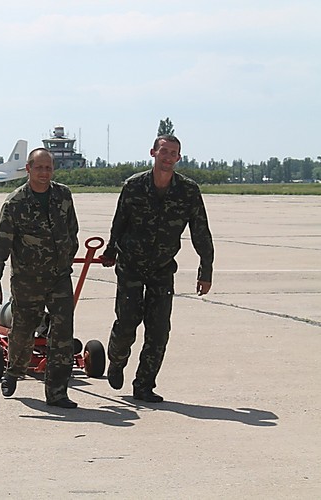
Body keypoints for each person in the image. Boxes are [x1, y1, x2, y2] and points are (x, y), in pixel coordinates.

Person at [100, 134, 214, 403]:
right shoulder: (134, 186)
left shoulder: (188, 191)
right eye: (164, 151)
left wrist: (205, 269)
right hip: (131, 266)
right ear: (153, 152)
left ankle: (144, 385)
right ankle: (116, 361)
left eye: (173, 153)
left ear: (179, 158)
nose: (168, 156)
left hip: (162, 269)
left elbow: (201, 232)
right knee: (127, 323)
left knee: (159, 329)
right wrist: (110, 250)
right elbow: (120, 221)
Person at [0, 148, 80, 409]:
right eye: (39, 168)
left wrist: (68, 255)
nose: (44, 173)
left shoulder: (63, 195)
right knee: (23, 332)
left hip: (59, 277)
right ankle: (14, 371)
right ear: (28, 169)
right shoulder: (15, 203)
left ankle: (57, 392)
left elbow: (73, 230)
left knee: (62, 333)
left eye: (48, 168)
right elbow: (0, 246)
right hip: (27, 280)